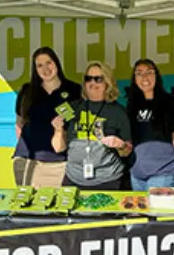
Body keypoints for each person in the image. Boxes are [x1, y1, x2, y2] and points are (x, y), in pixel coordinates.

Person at [51, 61, 132, 191]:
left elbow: (126, 152)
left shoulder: (119, 112)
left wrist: (120, 145)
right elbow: (58, 148)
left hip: (108, 180)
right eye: (88, 79)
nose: (92, 83)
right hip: (73, 178)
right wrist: (58, 129)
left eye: (98, 79)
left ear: (107, 83)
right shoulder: (71, 107)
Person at [12, 47, 82, 187]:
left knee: (59, 205)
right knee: (29, 207)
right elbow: (19, 122)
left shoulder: (74, 90)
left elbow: (78, 124)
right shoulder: (27, 91)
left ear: (56, 63)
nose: (45, 69)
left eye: (48, 62)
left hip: (61, 162)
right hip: (29, 161)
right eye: (39, 65)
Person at [126, 59, 174, 192]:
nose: (144, 77)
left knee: (158, 213)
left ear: (157, 76)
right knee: (140, 213)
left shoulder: (171, 102)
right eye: (139, 73)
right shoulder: (132, 105)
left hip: (163, 174)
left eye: (149, 72)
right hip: (137, 175)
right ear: (134, 79)